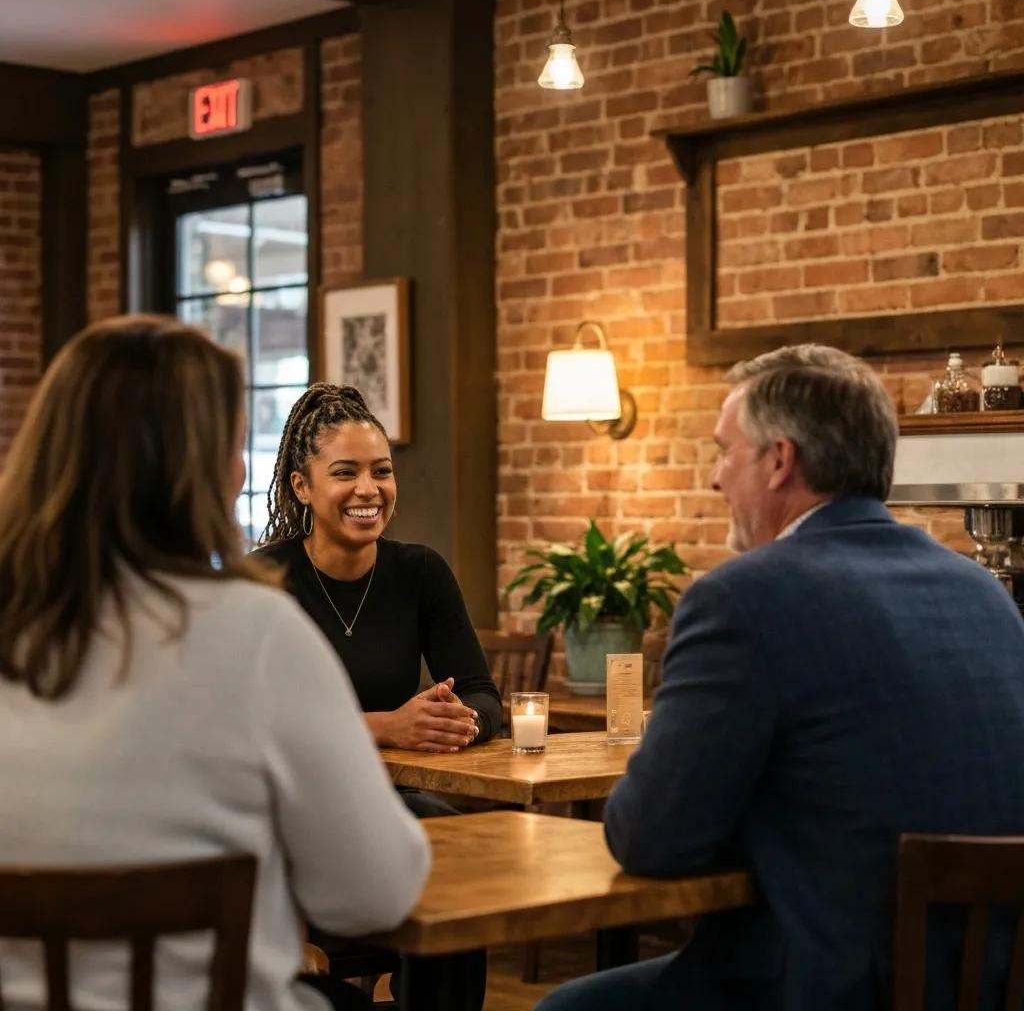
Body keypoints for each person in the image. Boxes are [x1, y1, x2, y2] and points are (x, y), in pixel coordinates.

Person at [536, 344, 1024, 1011]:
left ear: (778, 461)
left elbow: (649, 837)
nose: (713, 478)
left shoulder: (743, 598)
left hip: (830, 984)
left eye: (723, 451)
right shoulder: (985, 595)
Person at [0, 316, 429, 1011]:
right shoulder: (256, 631)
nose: (237, 474)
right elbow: (376, 891)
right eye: (232, 448)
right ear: (201, 471)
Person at [255, 384, 501, 774]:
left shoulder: (421, 571)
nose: (368, 490)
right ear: (302, 486)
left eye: (382, 471)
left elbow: (483, 697)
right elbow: (251, 722)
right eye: (345, 473)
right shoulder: (262, 581)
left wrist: (457, 720)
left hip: (396, 791)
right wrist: (385, 727)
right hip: (292, 801)